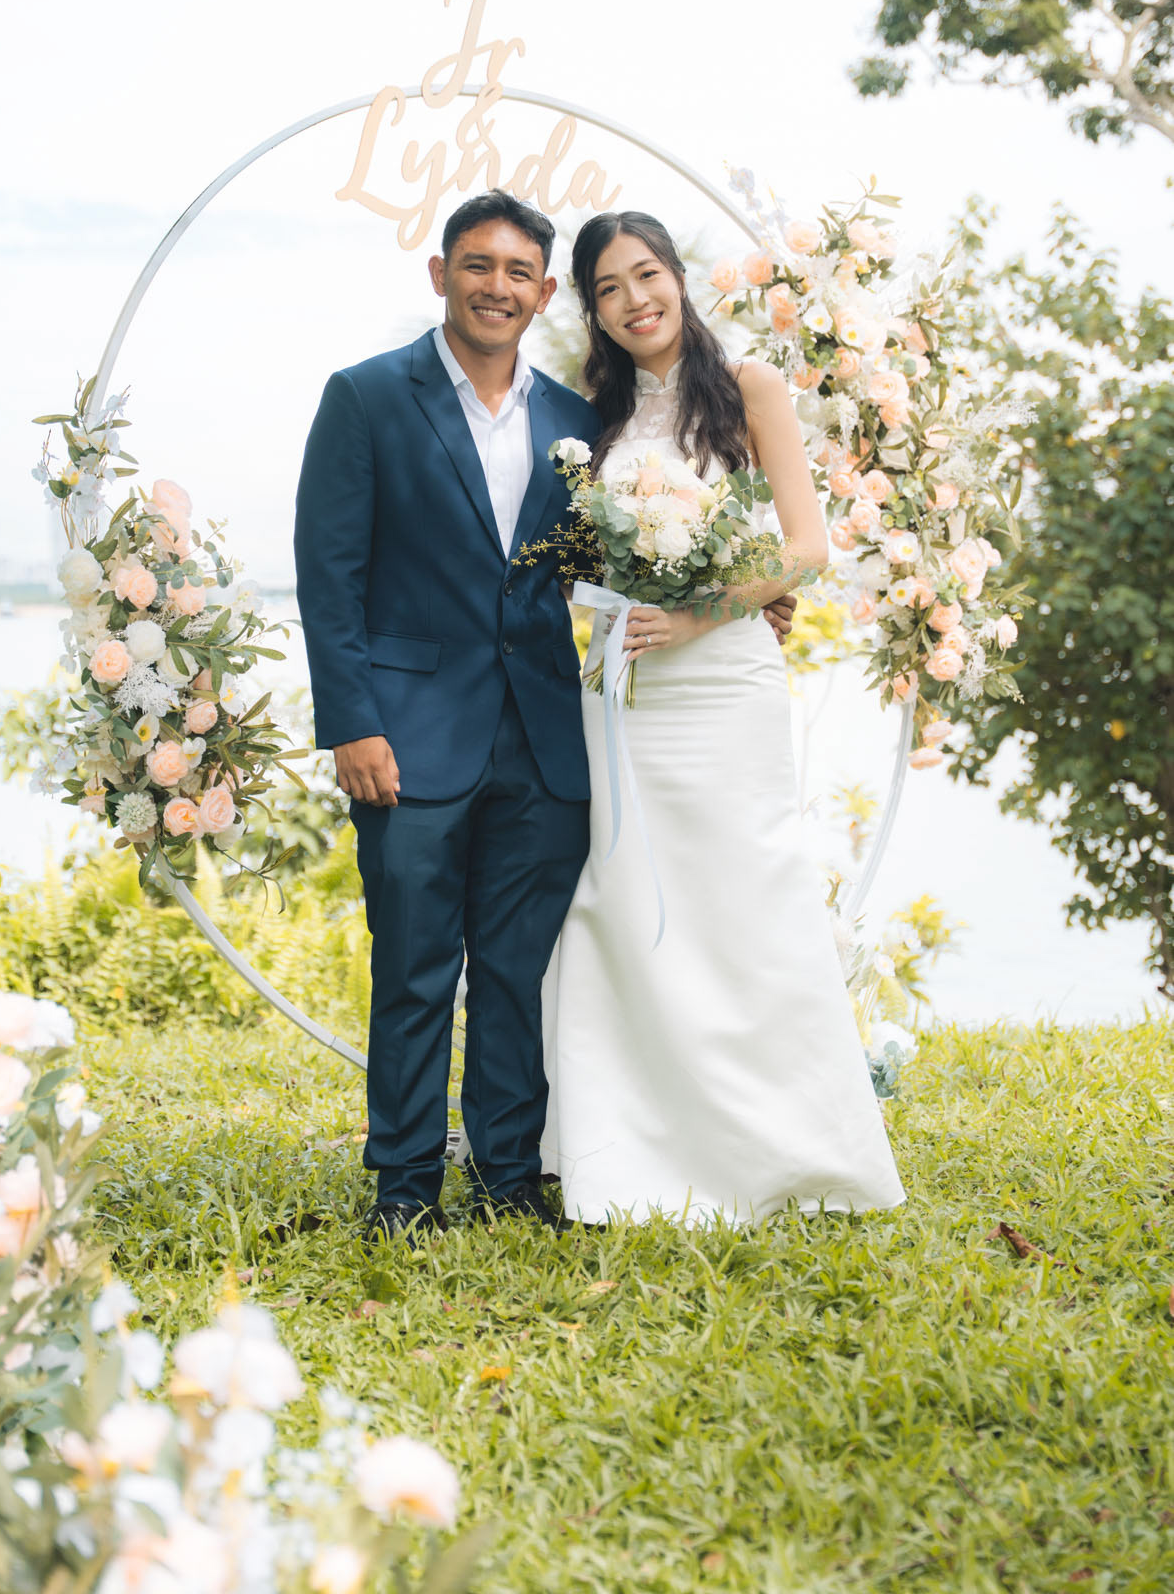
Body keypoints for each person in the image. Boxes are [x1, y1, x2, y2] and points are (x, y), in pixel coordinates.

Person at [540, 209, 905, 1227]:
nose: (632, 300)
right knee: (618, 898)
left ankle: (782, 1149)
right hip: (624, 682)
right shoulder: (595, 419)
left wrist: (701, 612)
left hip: (721, 680)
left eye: (645, 274)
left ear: (676, 277)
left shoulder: (749, 387)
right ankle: (625, 1150)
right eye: (607, 288)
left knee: (747, 897)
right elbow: (579, 557)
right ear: (593, 311)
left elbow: (804, 546)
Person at [293, 191, 601, 1240]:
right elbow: (328, 575)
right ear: (441, 274)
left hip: (543, 740)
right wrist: (351, 723)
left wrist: (742, 593)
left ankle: (509, 1178)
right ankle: (404, 1188)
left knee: (514, 975)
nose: (495, 287)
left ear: (544, 293)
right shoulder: (367, 396)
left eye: (518, 272)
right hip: (406, 737)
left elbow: (607, 568)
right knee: (414, 973)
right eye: (477, 265)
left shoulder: (576, 422)